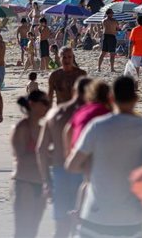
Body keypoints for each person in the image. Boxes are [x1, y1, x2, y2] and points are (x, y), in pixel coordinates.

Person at [66, 76, 142, 238]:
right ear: (136, 98)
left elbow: (72, 165)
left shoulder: (97, 126)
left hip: (94, 216)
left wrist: (96, 169)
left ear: (111, 98)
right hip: (130, 219)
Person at [37, 77, 90, 238]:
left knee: (61, 226)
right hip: (85, 174)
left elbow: (41, 149)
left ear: (74, 91)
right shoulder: (90, 116)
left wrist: (46, 180)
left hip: (60, 172)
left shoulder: (55, 113)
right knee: (84, 225)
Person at [11, 90, 50, 238]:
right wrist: (44, 155)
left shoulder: (42, 128)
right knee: (22, 231)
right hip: (24, 182)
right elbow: (20, 156)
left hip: (40, 183)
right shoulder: (21, 127)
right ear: (32, 104)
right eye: (45, 103)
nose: (48, 106)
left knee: (33, 230)